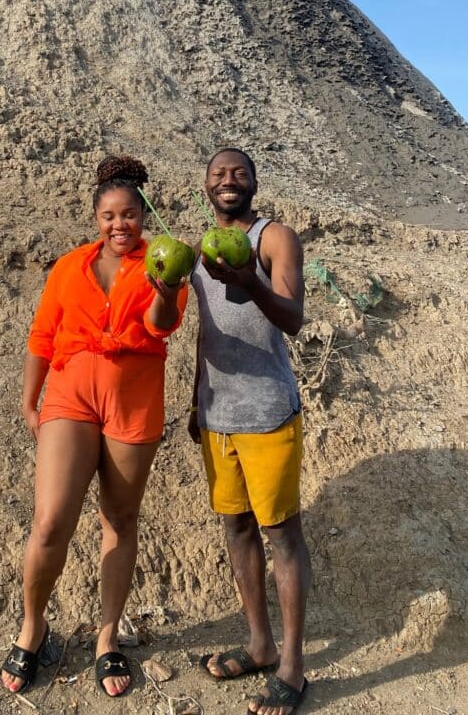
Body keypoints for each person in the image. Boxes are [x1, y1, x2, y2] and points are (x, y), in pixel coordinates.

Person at [1, 155, 189, 699]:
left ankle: (108, 637)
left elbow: (161, 326)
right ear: (96, 219)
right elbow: (42, 337)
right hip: (71, 393)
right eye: (109, 215)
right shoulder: (68, 266)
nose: (119, 225)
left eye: (129, 214)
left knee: (120, 518)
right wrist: (28, 404)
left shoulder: (161, 261)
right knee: (50, 522)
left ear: (144, 216)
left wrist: (167, 285)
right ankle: (32, 626)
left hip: (133, 400)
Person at [189, 148, 310, 715]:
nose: (228, 181)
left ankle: (293, 667)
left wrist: (248, 282)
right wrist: (196, 402)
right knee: (236, 529)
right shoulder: (197, 254)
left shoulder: (274, 238)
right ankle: (260, 644)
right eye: (218, 175)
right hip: (219, 418)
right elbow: (205, 334)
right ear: (206, 189)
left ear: (255, 182)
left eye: (239, 172)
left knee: (283, 537)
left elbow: (292, 316)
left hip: (267, 413)